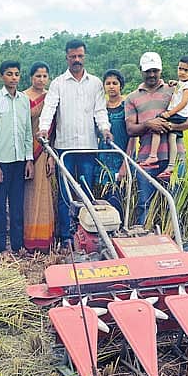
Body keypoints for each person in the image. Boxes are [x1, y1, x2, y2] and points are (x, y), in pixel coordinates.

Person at [38, 39, 112, 247]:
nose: (77, 60)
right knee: (65, 193)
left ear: (84, 56)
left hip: (88, 147)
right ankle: (66, 237)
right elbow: (49, 108)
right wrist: (43, 128)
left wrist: (105, 129)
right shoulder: (58, 83)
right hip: (65, 148)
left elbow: (100, 111)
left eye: (80, 56)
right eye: (73, 56)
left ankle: (87, 236)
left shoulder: (95, 83)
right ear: (67, 57)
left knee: (86, 193)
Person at [125, 52, 188, 225]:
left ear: (161, 70)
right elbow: (131, 129)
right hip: (147, 160)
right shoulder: (132, 97)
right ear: (141, 70)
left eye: (155, 71)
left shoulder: (174, 90)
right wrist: (149, 124)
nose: (152, 75)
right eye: (148, 71)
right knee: (145, 205)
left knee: (174, 205)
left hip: (175, 159)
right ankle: (145, 237)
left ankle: (175, 239)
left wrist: (168, 126)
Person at [0, 60, 34, 257]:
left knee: (17, 205)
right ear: (1, 77)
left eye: (16, 74)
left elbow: (28, 131)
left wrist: (29, 159)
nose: (13, 78)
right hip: (2, 162)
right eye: (9, 74)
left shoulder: (24, 100)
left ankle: (17, 246)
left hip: (19, 160)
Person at [142, 55, 188, 180]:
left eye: (186, 70)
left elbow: (183, 103)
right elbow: (181, 87)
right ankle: (171, 165)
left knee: (157, 123)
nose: (182, 72)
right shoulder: (184, 83)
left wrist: (169, 114)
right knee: (172, 137)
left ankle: (153, 155)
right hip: (180, 115)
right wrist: (175, 83)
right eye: (180, 69)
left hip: (178, 114)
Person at [23, 62, 56, 251]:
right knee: (28, 195)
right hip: (27, 152)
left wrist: (51, 155)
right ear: (31, 77)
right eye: (38, 76)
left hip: (44, 151)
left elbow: (54, 128)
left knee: (43, 194)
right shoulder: (22, 97)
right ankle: (28, 238)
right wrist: (27, 155)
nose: (41, 80)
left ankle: (43, 239)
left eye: (44, 76)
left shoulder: (51, 98)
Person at [96, 69, 133, 214]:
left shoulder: (126, 106)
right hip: (103, 161)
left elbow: (132, 137)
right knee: (104, 200)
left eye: (115, 83)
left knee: (119, 199)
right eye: (108, 83)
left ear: (121, 85)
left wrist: (125, 164)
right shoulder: (100, 108)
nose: (111, 86)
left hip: (121, 158)